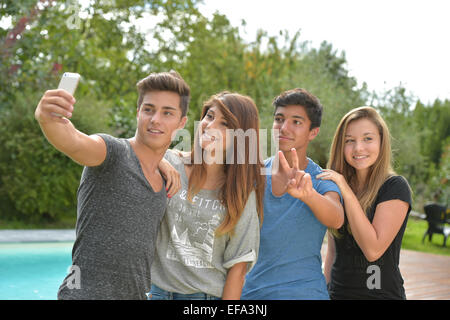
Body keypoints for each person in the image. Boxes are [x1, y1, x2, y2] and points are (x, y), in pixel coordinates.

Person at [34, 70, 190, 299]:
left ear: (181, 123)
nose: (155, 119)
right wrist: (47, 118)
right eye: (149, 109)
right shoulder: (112, 152)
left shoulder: (164, 174)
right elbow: (75, 142)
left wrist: (164, 162)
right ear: (138, 113)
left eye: (167, 113)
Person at [148, 91, 265, 300]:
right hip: (158, 292)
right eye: (209, 116)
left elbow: (237, 270)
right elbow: (128, 151)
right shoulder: (170, 164)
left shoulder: (241, 194)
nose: (210, 126)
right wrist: (156, 159)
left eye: (225, 124)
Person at [241, 88, 344, 300]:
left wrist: (309, 195)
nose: (284, 128)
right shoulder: (254, 174)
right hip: (252, 294)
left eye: (296, 122)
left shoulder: (321, 179)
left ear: (313, 132)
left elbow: (336, 218)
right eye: (279, 119)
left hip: (304, 293)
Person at [320, 106, 412, 300]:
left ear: (381, 142)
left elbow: (373, 250)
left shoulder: (394, 186)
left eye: (367, 139)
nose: (358, 148)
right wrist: (324, 291)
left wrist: (345, 188)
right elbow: (333, 251)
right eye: (349, 141)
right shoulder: (336, 186)